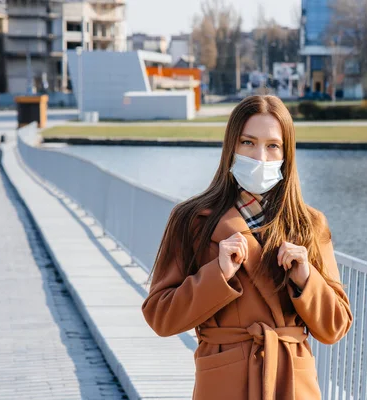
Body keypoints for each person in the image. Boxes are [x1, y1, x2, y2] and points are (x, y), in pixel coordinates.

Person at [141, 95, 353, 400]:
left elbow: (335, 326)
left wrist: (307, 280)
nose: (260, 158)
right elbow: (160, 316)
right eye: (248, 143)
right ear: (231, 147)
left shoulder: (309, 224)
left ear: (286, 154)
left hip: (292, 381)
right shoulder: (191, 219)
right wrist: (218, 275)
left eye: (272, 146)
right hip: (224, 382)